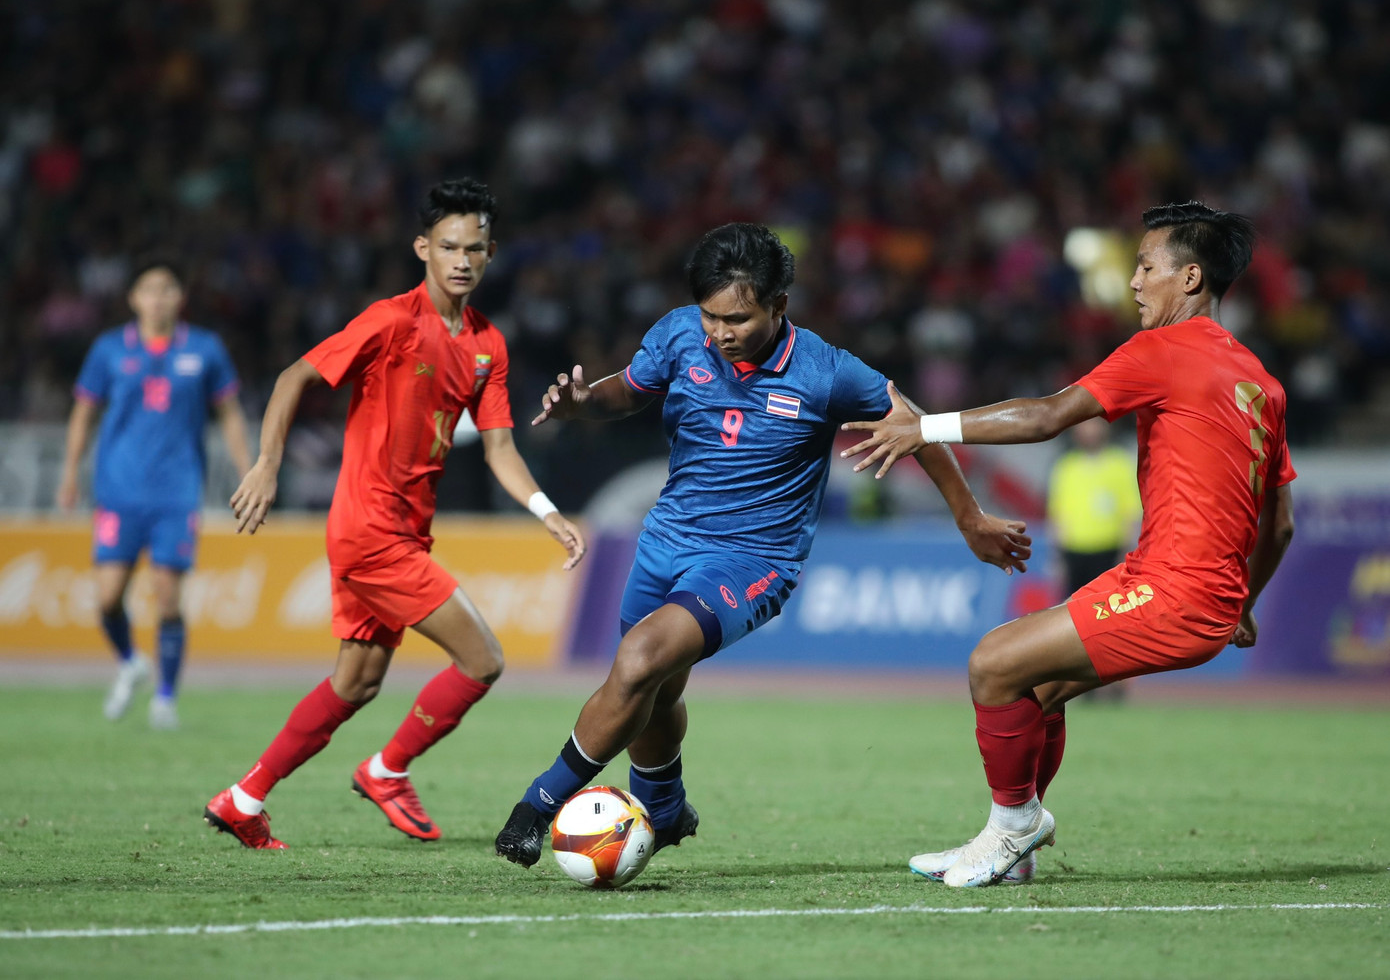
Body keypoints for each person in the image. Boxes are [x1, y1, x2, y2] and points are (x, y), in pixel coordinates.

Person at [493, 222, 1032, 867]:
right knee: (655, 688)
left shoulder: (827, 371)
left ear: (779, 305)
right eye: (711, 316)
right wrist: (583, 403)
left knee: (638, 659)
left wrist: (969, 518)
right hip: (666, 539)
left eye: (739, 319)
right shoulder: (678, 334)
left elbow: (916, 427)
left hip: (753, 561)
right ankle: (663, 811)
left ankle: (537, 805)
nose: (721, 333)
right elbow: (625, 391)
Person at [841, 201, 1296, 888]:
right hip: (1184, 584)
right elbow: (1280, 523)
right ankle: (1013, 850)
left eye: (1146, 266)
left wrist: (924, 427)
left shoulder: (1165, 350)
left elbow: (1049, 415)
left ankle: (1013, 826)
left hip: (1174, 590)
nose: (1135, 281)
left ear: (1191, 278)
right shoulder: (1262, 384)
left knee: (992, 663)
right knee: (1039, 689)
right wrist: (1243, 602)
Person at [204, 178, 586, 850]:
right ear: (423, 248)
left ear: (491, 253)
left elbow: (499, 447)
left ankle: (243, 796)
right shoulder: (389, 321)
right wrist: (266, 463)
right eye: (448, 246)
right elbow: (295, 376)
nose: (461, 259)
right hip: (370, 530)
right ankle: (387, 768)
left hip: (402, 529)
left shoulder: (486, 345)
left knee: (357, 679)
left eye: (474, 248)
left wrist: (546, 510)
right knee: (483, 659)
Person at [57, 257, 252, 730]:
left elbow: (228, 412)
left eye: (168, 289)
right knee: (107, 598)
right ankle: (130, 661)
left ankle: (165, 696)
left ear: (180, 298)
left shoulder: (204, 349)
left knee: (167, 599)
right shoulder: (108, 350)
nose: (158, 298)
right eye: (149, 289)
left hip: (176, 492)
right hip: (118, 491)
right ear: (133, 298)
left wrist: (250, 469)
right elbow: (84, 412)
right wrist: (69, 471)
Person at [1045, 416, 1141, 702]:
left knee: (1116, 621)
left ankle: (1118, 683)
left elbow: (1130, 512)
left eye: (1094, 424)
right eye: (1084, 424)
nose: (1089, 430)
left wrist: (1126, 553)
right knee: (1074, 622)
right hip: (1075, 551)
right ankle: (1080, 683)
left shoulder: (1120, 463)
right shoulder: (1066, 467)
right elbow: (1057, 514)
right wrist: (1058, 555)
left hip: (1108, 551)